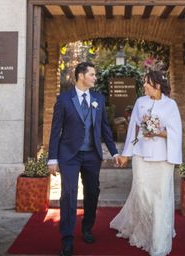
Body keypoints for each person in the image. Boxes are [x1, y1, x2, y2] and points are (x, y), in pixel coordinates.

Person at [48, 62, 122, 256]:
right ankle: (67, 239)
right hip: (69, 156)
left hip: (92, 155)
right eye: (92, 74)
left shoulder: (98, 98)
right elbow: (56, 131)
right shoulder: (64, 99)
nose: (95, 78)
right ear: (81, 76)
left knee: (92, 192)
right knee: (69, 194)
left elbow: (105, 127)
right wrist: (52, 158)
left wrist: (114, 152)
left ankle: (87, 227)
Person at [110, 69, 183, 256]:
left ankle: (158, 237)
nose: (144, 85)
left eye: (147, 83)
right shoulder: (140, 102)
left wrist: (157, 132)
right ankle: (143, 229)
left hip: (163, 159)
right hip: (141, 156)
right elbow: (133, 133)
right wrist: (127, 153)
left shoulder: (171, 105)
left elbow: (175, 133)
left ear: (157, 85)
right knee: (141, 193)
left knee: (160, 198)